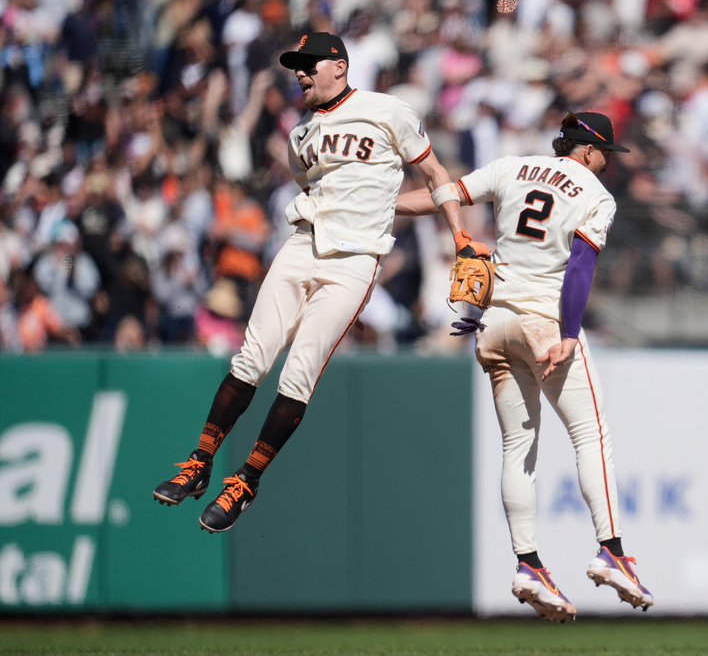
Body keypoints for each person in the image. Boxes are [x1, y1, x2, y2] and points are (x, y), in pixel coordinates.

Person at [153, 32, 488, 533]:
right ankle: (200, 463)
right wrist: (377, 200)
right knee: (250, 359)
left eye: (311, 64)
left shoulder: (387, 110)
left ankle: (246, 480)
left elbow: (436, 174)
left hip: (355, 261)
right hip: (301, 244)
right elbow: (329, 190)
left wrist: (461, 237)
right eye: (296, 66)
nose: (302, 73)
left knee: (298, 375)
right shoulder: (299, 136)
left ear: (340, 65)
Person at [397, 111, 653, 621]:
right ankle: (612, 552)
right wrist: (570, 333)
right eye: (604, 153)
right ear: (585, 149)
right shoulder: (596, 195)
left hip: (493, 322)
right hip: (542, 323)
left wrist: (377, 204)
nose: (607, 162)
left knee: (518, 447)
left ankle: (527, 563)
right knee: (591, 436)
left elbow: (442, 194)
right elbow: (581, 267)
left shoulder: (511, 167)